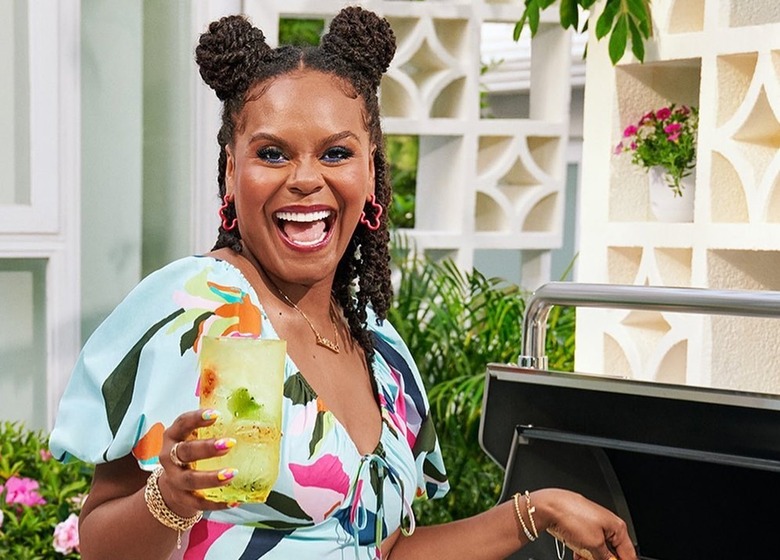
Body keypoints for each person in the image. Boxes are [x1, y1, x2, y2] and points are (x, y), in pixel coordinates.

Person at [49, 7, 637, 560]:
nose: (307, 180)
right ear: (231, 171)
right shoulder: (192, 309)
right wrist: (168, 501)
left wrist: (537, 511)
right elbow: (98, 541)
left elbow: (384, 550)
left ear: (371, 169)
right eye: (272, 154)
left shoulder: (376, 343)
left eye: (335, 152)